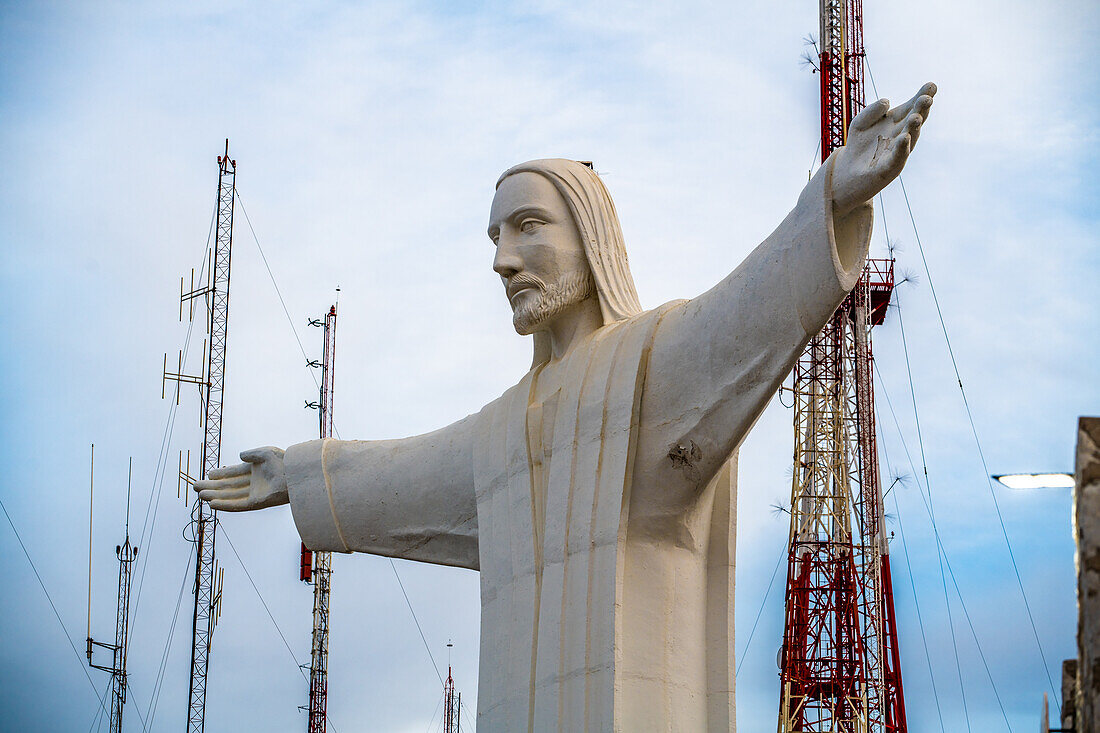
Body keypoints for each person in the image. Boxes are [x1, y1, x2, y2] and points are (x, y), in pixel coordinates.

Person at [196, 84, 935, 731]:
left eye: (527, 227)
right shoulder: (506, 429)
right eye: (495, 237)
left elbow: (749, 313)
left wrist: (832, 197)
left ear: (590, 237)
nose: (502, 260)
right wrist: (302, 471)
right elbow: (410, 475)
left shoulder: (654, 362)